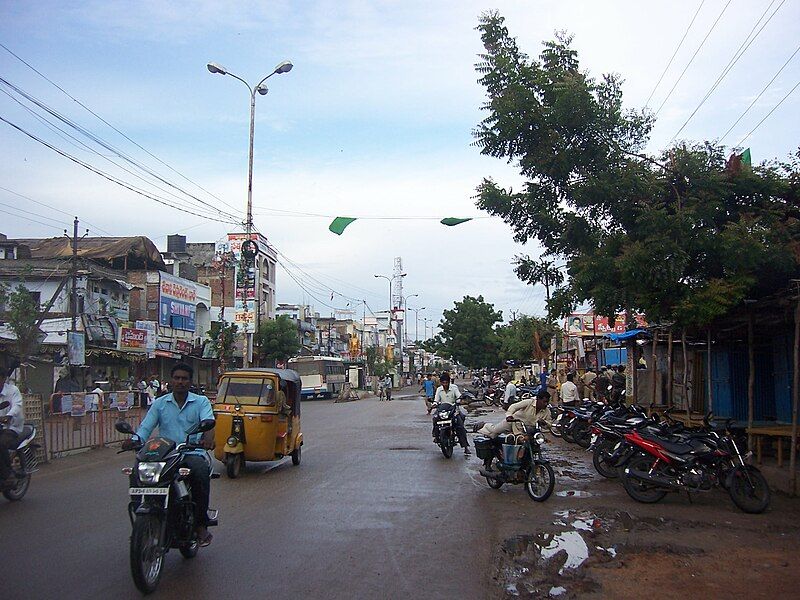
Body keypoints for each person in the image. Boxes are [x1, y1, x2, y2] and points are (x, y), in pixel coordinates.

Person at [124, 363, 215, 546]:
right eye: (177, 378)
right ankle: (142, 518)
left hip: (192, 452)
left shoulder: (201, 402)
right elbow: (146, 427)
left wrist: (207, 439)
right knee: (137, 472)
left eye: (184, 378)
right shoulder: (160, 403)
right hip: (165, 454)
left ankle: (200, 524)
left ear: (190, 382)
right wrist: (135, 439)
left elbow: (209, 422)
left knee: (200, 473)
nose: (180, 382)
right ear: (171, 381)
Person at [478, 389, 552, 439]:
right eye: (544, 401)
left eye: (547, 402)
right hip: (513, 422)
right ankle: (484, 425)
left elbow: (549, 425)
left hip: (526, 430)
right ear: (538, 399)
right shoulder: (529, 402)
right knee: (494, 432)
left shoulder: (546, 411)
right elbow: (513, 407)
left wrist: (544, 423)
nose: (546, 404)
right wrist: (509, 416)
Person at [431, 372, 470, 455]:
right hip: (442, 409)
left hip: (453, 409)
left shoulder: (454, 388)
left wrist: (459, 400)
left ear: (449, 382)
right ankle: (436, 435)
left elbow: (459, 396)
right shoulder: (439, 389)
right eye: (443, 383)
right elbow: (436, 400)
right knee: (435, 418)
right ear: (441, 383)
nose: (445, 384)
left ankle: (465, 446)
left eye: (446, 382)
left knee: (460, 424)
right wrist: (434, 404)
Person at [0, 368, 24, 489]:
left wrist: (8, 416)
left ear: (3, 378)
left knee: (1, 444)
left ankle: (8, 474)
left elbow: (17, 405)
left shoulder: (13, 390)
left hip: (12, 427)